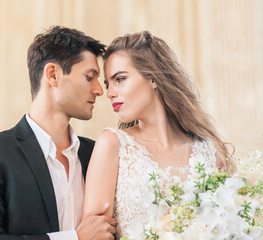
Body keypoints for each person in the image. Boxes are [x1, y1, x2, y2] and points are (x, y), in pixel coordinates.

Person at [0, 26, 116, 240]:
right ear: (53, 75)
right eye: (90, 77)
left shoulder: (97, 154)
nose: (99, 90)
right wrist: (75, 238)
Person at [82, 31, 232, 239]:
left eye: (120, 79)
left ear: (152, 77)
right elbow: (94, 235)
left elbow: (230, 225)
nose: (110, 93)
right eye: (108, 84)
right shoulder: (113, 144)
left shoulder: (210, 152)